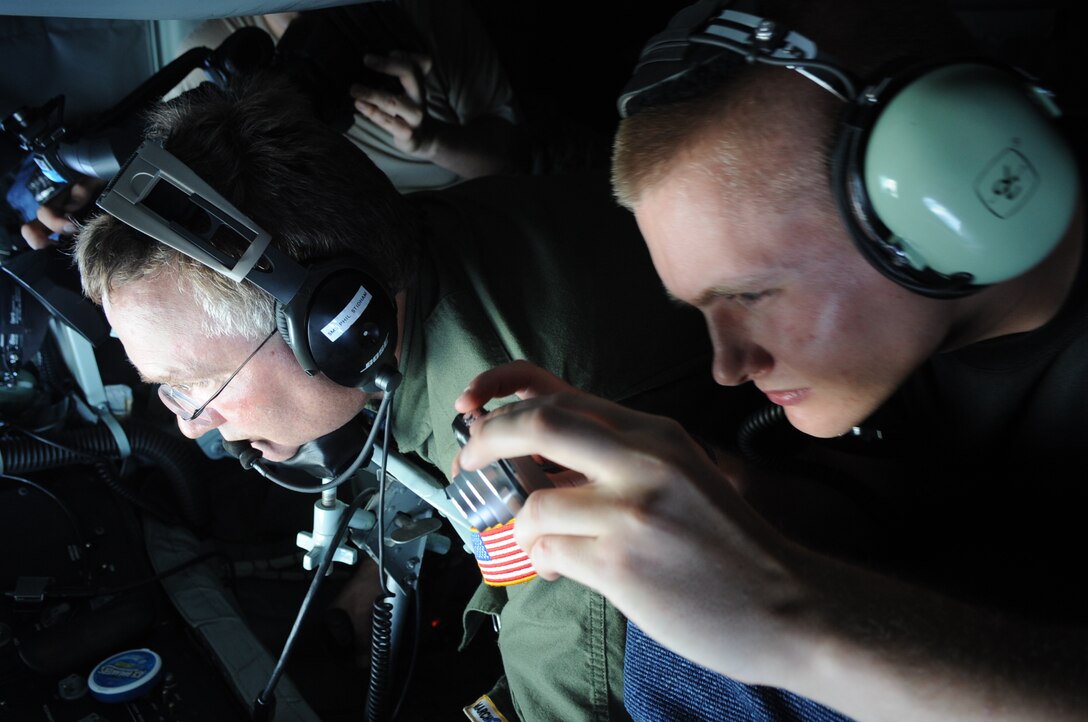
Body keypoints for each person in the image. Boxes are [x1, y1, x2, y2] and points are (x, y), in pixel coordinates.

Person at [450, 0, 1088, 720]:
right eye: (701, 310)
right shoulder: (907, 355)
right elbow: (896, 508)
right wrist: (724, 488)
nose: (728, 365)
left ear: (946, 190)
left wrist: (795, 622)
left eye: (752, 294)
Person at [72, 68, 726, 720]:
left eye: (190, 386)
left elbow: (569, 684)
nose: (189, 425)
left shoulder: (536, 447)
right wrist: (376, 567)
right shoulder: (395, 251)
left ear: (336, 329)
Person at [21, 0, 527, 249]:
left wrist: (433, 140)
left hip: (478, 215)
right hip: (381, 242)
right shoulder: (219, 49)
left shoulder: (424, 17)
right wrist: (105, 191)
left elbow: (507, 162)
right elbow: (191, 165)